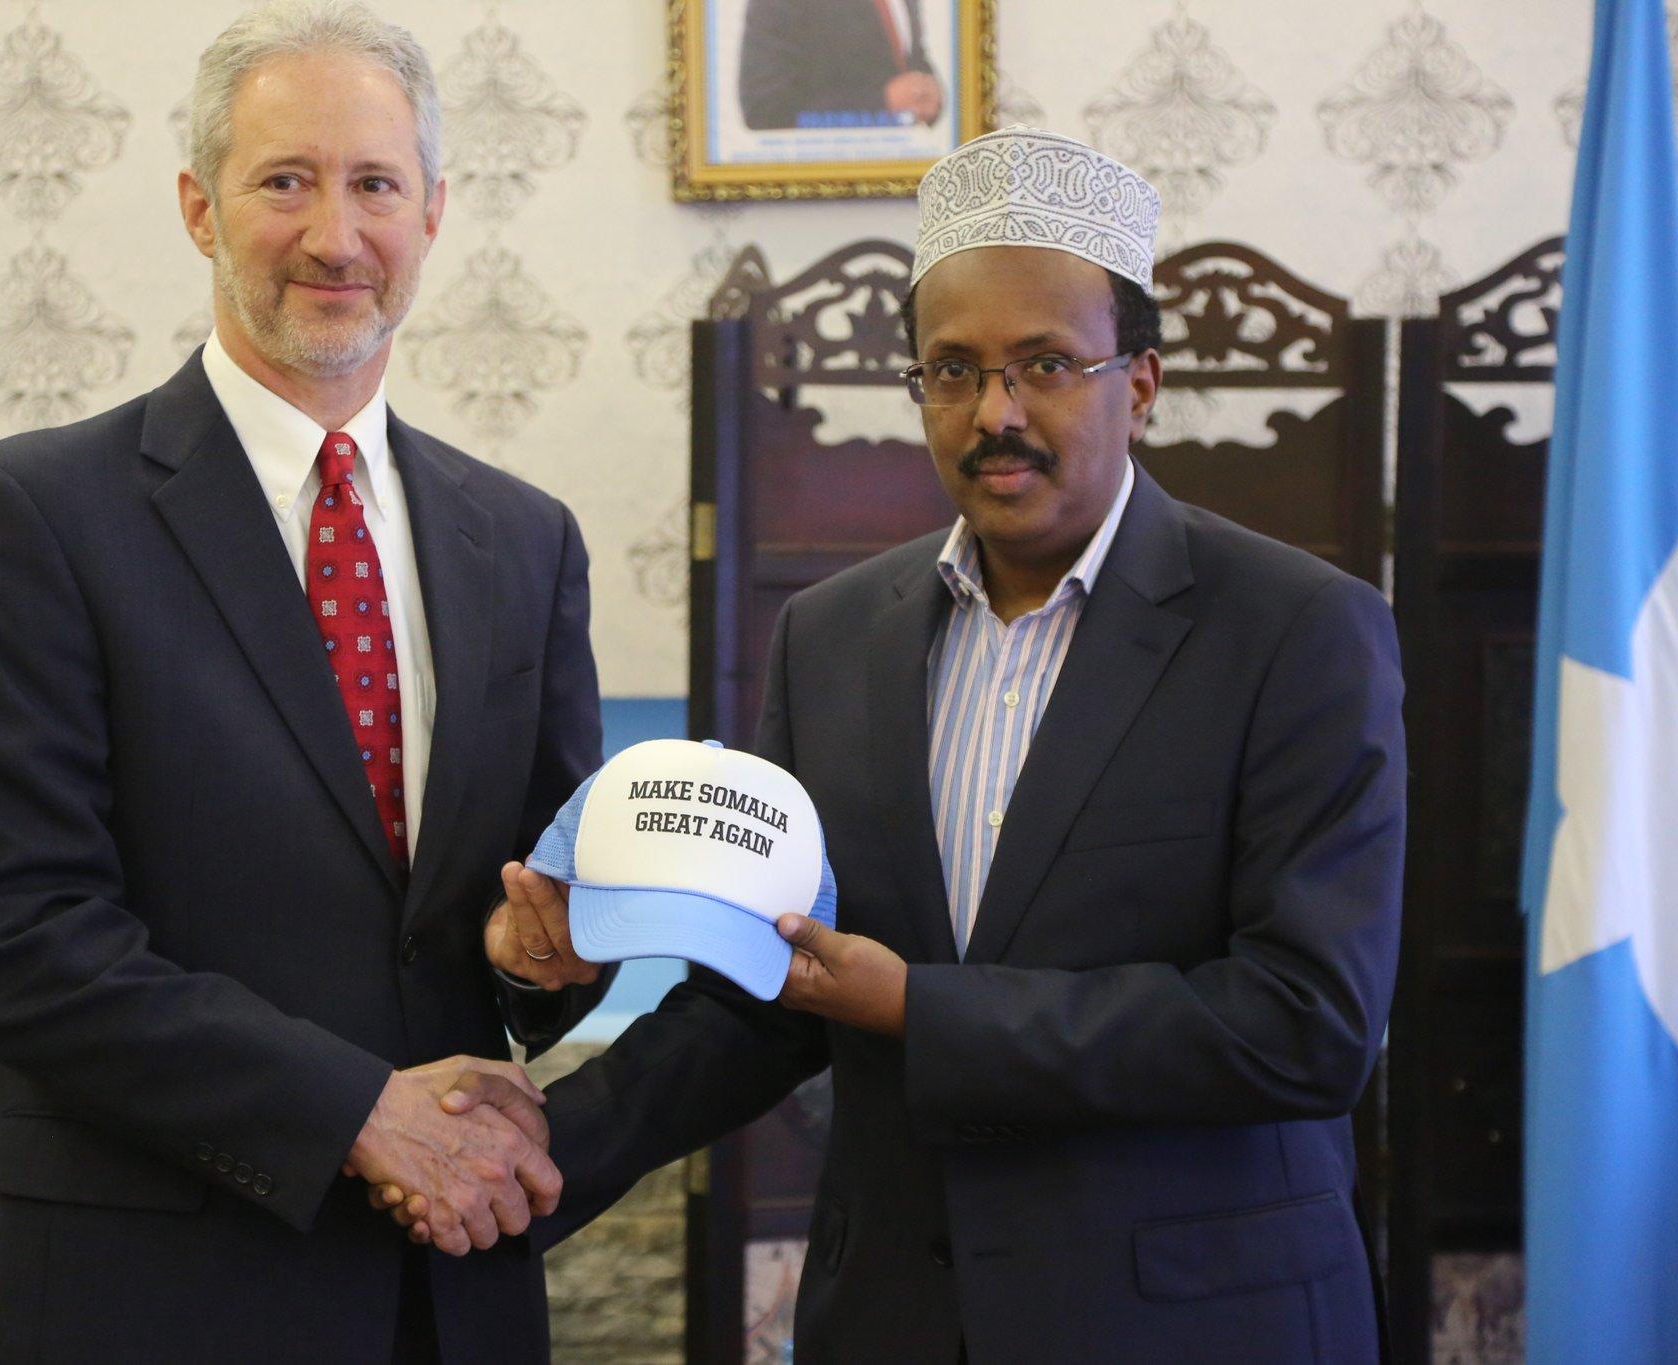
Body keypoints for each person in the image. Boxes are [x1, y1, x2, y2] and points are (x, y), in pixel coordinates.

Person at [396, 127, 1405, 1362]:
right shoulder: (831, 639)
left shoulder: (1297, 631)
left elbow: (1305, 1023)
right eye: (950, 369)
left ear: (1137, 384)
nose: (995, 413)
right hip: (894, 1318)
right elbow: (768, 997)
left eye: (1045, 364)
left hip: (1195, 1320)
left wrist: (921, 1009)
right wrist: (527, 1158)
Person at [0, 3, 609, 1360]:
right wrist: (353, 1110)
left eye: (376, 185)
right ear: (198, 207)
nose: (336, 237)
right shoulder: (29, 516)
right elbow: (8, 935)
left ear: (435, 212)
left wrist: (543, 960)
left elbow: (528, 927)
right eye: (286, 181)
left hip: (443, 1299)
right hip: (141, 1291)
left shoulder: (524, 540)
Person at [738, 0, 944, 131]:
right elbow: (763, 109)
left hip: (905, 179)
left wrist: (932, 94)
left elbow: (913, 60)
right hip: (822, 187)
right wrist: (880, 105)